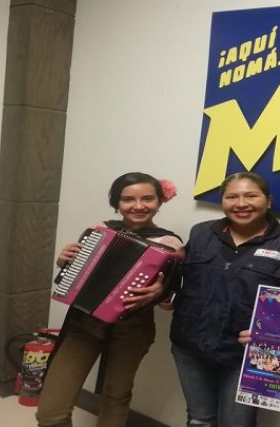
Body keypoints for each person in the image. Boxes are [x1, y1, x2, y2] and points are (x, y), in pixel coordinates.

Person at [36, 172, 184, 427]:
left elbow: (170, 297)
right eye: (128, 199)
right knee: (51, 410)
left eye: (147, 198)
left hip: (133, 329)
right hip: (84, 324)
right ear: (117, 204)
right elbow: (72, 281)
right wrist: (66, 262)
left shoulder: (170, 243)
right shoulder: (100, 231)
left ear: (159, 201)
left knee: (116, 396)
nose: (138, 206)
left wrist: (159, 292)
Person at [169, 172, 280, 427]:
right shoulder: (202, 232)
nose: (241, 203)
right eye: (232, 196)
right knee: (199, 419)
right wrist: (167, 293)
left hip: (249, 354)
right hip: (191, 344)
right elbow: (182, 276)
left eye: (251, 195)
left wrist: (273, 331)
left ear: (268, 201)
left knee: (238, 424)